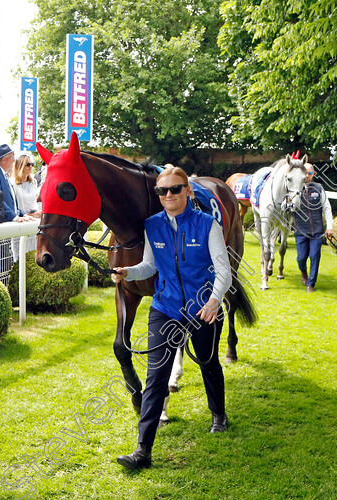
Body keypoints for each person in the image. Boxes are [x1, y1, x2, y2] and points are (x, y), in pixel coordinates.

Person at [111, 167, 232, 471]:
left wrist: (213, 301)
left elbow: (224, 271)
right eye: (162, 191)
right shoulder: (152, 226)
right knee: (156, 377)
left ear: (188, 191)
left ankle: (219, 414)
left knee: (208, 362)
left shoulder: (208, 225)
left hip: (202, 310)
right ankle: (142, 450)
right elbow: (148, 266)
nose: (168, 196)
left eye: (175, 189)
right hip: (164, 309)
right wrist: (128, 272)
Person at [293, 163, 334, 292]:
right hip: (300, 230)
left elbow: (327, 208)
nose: (306, 176)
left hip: (317, 230)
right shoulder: (294, 190)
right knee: (301, 258)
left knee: (315, 255)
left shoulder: (319, 188)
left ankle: (311, 283)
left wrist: (330, 227)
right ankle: (303, 272)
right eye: (304, 173)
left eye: (309, 173)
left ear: (313, 174)